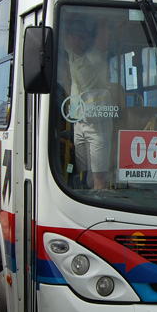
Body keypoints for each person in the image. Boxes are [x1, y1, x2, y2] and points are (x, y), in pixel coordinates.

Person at [63, 16, 112, 190]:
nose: (77, 41)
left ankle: (99, 204)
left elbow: (103, 27)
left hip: (98, 124)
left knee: (99, 175)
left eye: (82, 37)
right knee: (81, 170)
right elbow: (65, 27)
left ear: (89, 38)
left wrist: (101, 21)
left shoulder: (97, 53)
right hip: (78, 123)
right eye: (74, 36)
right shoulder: (71, 51)